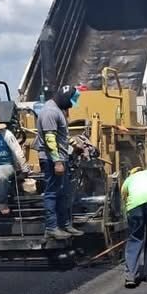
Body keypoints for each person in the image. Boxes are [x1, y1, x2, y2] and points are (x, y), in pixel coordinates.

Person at [34, 85, 84, 240]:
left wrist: (74, 144)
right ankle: (51, 227)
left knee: (64, 193)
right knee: (52, 193)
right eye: (70, 101)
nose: (70, 105)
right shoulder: (50, 112)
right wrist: (57, 162)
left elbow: (60, 134)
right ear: (64, 97)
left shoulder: (58, 111)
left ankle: (65, 225)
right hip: (52, 160)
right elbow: (50, 139)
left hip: (61, 157)